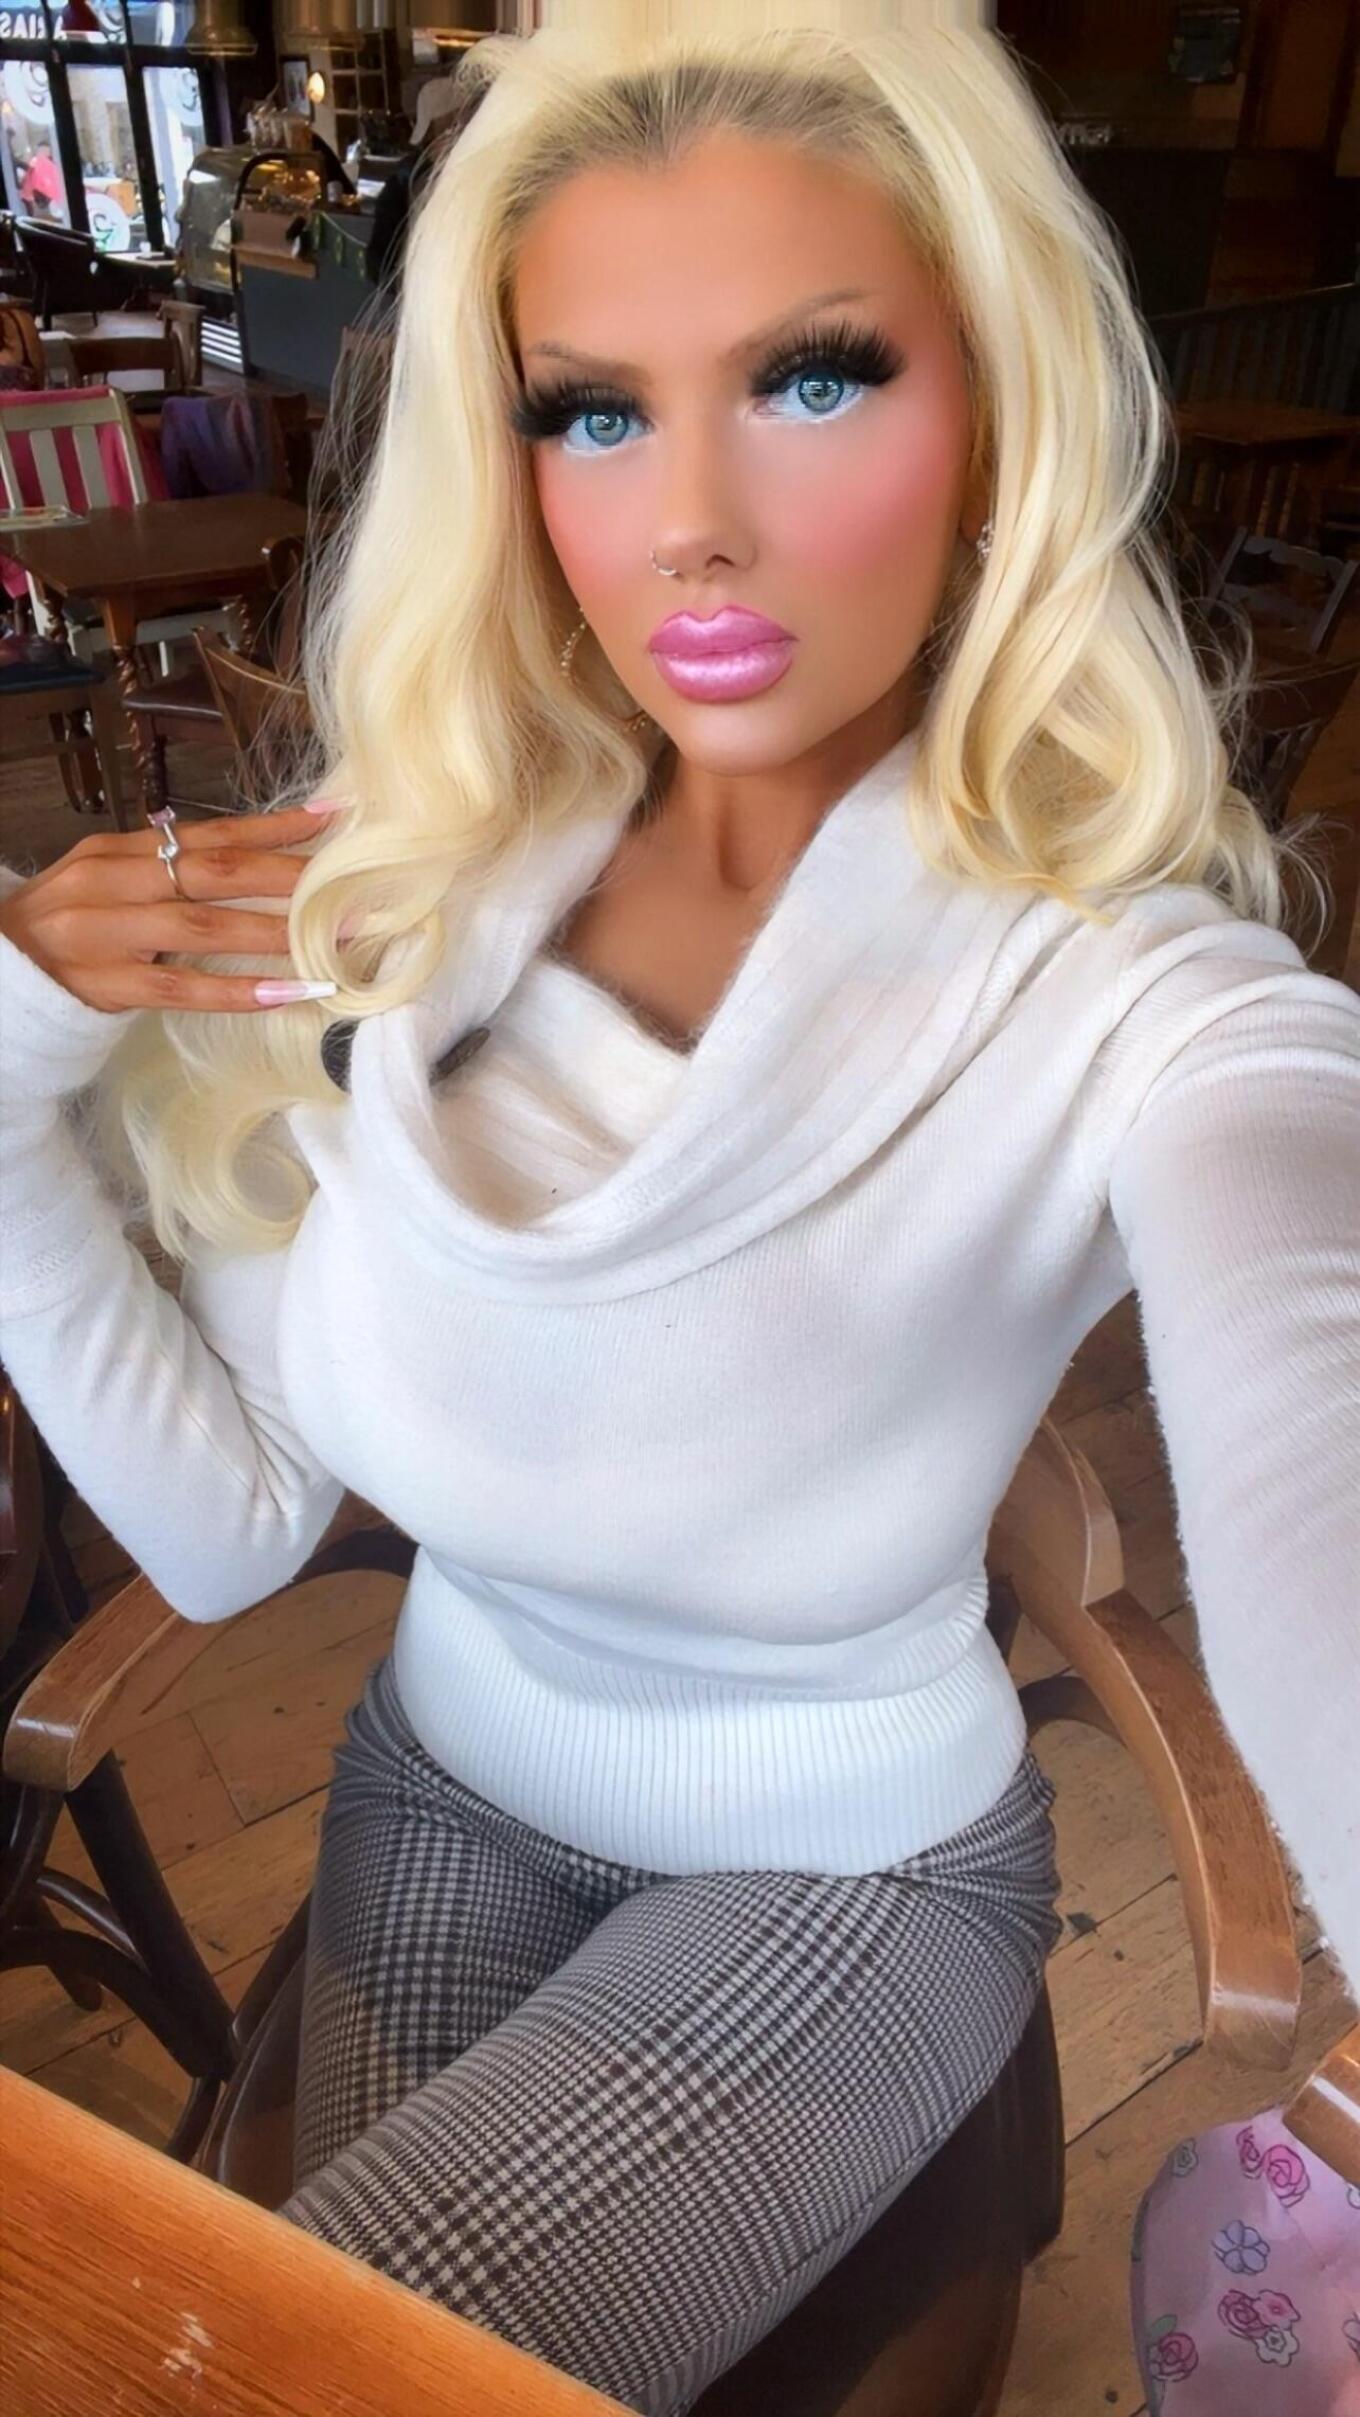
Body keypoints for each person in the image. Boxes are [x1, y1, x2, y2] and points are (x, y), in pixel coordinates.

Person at [0, 3, 1356, 2411]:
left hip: (850, 1877)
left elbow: (1313, 1399)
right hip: (428, 1785)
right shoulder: (396, 893)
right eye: (593, 409)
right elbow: (221, 1534)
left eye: (813, 377)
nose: (691, 518)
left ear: (995, 410)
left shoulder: (1139, 995)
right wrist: (11, 1053)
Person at [18, 138, 61, 218]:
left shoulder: (53, 164)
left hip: (50, 200)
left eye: (46, 150)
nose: (44, 153)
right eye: (42, 150)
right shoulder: (35, 163)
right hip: (38, 200)